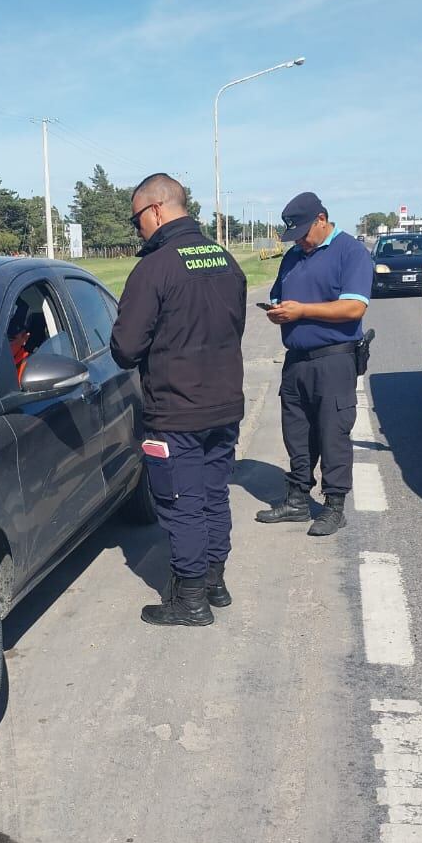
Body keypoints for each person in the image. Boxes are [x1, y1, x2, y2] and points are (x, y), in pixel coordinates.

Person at [111, 173, 246, 626]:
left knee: (181, 502)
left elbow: (126, 348)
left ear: (155, 210)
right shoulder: (225, 260)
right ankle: (214, 581)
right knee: (213, 495)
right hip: (224, 403)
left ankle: (189, 601)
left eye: (136, 221)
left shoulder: (155, 268)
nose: (138, 231)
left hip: (176, 409)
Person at [256, 191, 372, 537]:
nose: (301, 242)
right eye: (295, 236)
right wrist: (278, 312)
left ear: (322, 219)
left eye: (305, 233)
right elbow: (280, 294)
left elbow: (354, 307)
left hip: (334, 359)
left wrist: (302, 311)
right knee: (297, 432)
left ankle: (335, 506)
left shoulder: (350, 252)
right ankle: (296, 499)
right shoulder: (293, 256)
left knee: (332, 432)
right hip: (296, 361)